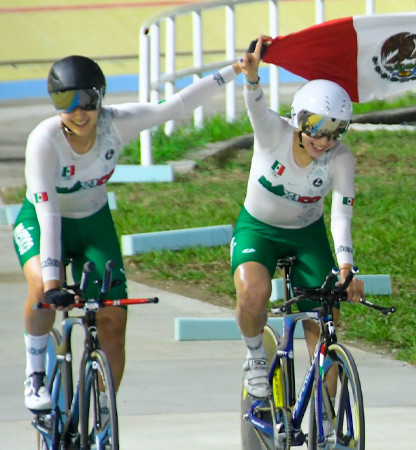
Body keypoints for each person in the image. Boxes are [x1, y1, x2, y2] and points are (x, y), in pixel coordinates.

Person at [14, 52, 243, 411]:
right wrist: (54, 284)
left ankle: (103, 414)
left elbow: (177, 104)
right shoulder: (43, 140)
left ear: (100, 97)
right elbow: (49, 215)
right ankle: (35, 372)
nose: (77, 112)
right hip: (42, 220)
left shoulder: (116, 123)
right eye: (64, 101)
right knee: (41, 286)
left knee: (113, 325)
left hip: (94, 224)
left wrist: (236, 69)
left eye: (86, 100)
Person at [232, 36, 364, 399]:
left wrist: (346, 265)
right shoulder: (273, 132)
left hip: (307, 235)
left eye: (336, 130)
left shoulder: (341, 159)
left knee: (327, 324)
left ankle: (326, 415)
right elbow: (255, 105)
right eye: (317, 126)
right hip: (257, 230)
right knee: (253, 293)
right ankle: (256, 354)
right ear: (298, 119)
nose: (324, 139)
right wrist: (252, 77)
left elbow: (341, 216)